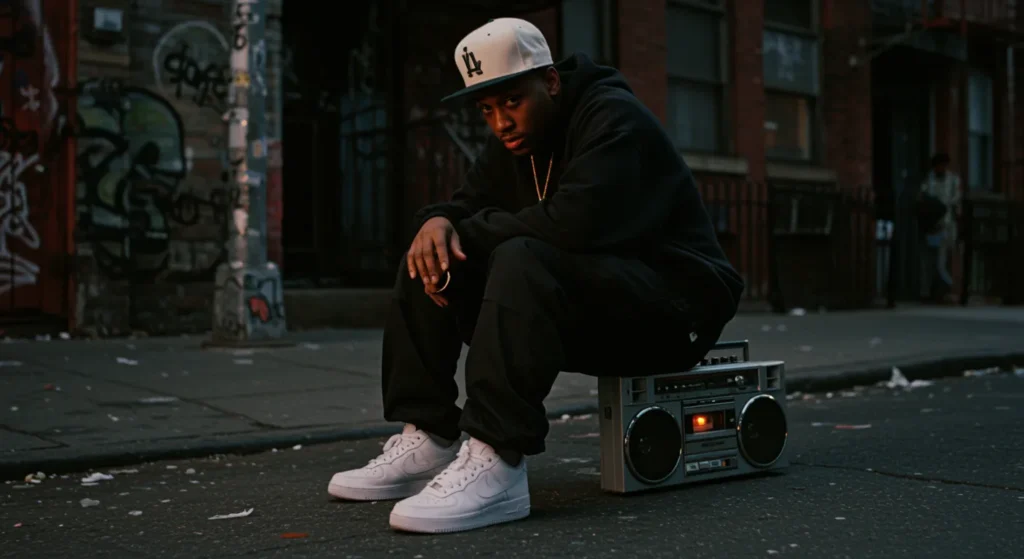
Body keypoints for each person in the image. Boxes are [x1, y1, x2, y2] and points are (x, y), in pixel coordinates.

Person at [327, 18, 744, 534]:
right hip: (596, 301)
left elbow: (575, 222)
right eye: (487, 109)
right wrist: (434, 224)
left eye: (512, 102)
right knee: (430, 254)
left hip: (675, 309)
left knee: (522, 256)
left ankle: (497, 459)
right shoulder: (517, 142)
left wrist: (462, 230)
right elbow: (464, 207)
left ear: (549, 82)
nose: (501, 122)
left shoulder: (613, 119)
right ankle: (430, 436)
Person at [918, 153, 961, 301]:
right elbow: (922, 197)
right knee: (930, 261)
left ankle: (948, 289)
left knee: (942, 261)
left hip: (946, 225)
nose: (941, 168)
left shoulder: (953, 180)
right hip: (931, 225)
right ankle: (930, 291)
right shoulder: (928, 180)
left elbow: (956, 201)